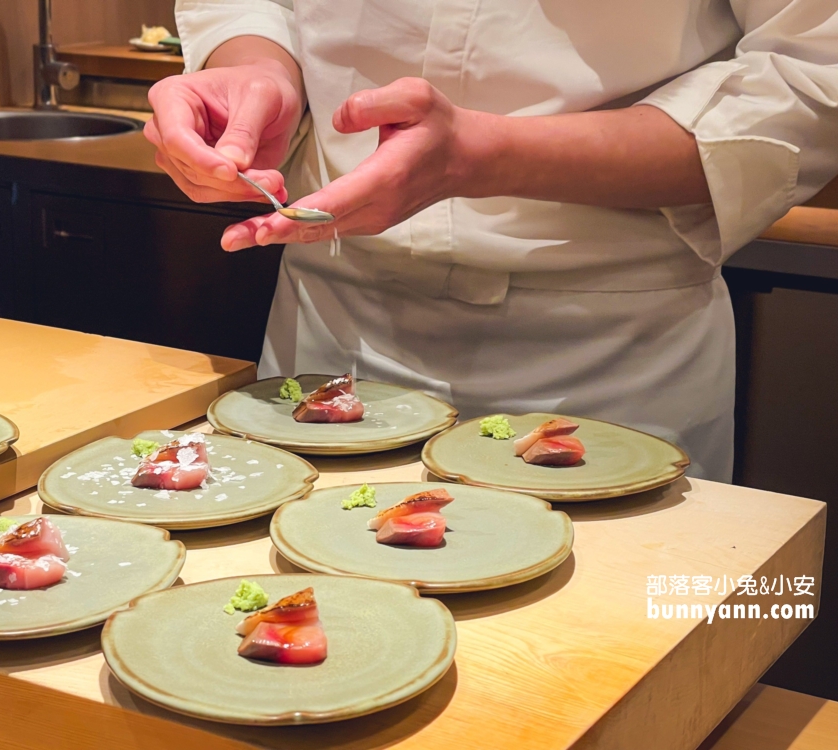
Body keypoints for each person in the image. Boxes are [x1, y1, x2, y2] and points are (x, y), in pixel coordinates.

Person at [145, 1, 838, 481]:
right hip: (328, 327)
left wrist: (490, 156)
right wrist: (256, 67)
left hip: (611, 361)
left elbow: (809, 77)